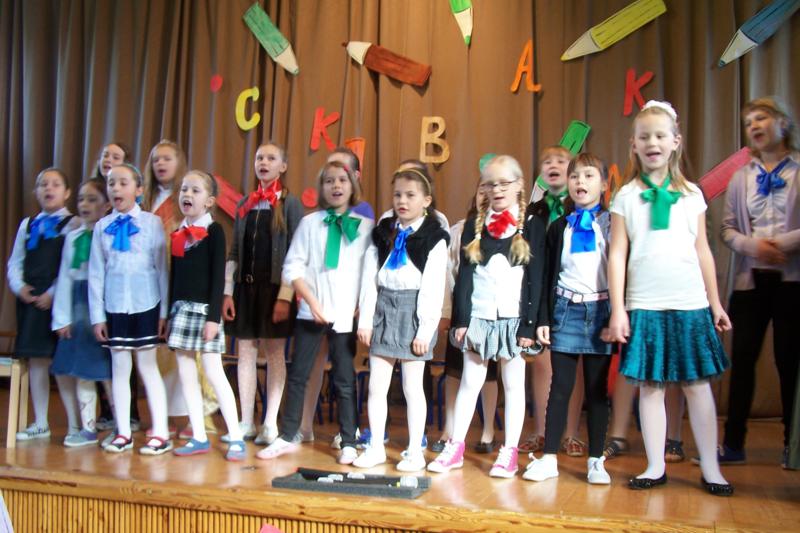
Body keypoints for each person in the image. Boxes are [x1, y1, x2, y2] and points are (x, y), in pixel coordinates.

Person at [606, 100, 733, 495]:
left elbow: (703, 251)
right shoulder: (625, 196)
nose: (652, 143)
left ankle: (711, 468)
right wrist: (618, 310)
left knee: (697, 386)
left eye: (660, 136)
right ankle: (655, 465)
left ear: (675, 141)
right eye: (644, 137)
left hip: (690, 303)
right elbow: (617, 254)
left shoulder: (692, 194)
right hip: (645, 304)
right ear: (633, 144)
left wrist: (715, 303)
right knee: (651, 387)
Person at [428, 155, 544, 478]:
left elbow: (536, 277)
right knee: (470, 381)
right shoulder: (473, 225)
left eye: (504, 183)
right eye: (491, 184)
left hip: (513, 319)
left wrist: (529, 326)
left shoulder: (531, 224)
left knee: (513, 384)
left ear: (519, 185)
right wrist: (462, 320)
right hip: (479, 316)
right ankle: (455, 447)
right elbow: (464, 276)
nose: (497, 189)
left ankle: (509, 453)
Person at [257, 161, 373, 464]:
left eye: (342, 180)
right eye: (329, 181)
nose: (336, 186)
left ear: (352, 185)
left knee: (344, 379)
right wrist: (311, 301)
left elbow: (369, 273)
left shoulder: (364, 227)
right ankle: (287, 434)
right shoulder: (310, 223)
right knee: (298, 375)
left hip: (344, 316)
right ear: (321, 187)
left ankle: (349, 441)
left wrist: (361, 308)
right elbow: (292, 267)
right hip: (311, 312)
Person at [718, 96, 800, 468]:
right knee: (743, 360)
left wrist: (780, 245)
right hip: (750, 283)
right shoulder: (742, 177)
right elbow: (728, 229)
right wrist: (754, 247)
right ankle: (733, 443)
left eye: (761, 117)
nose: (754, 125)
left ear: (783, 123)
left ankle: (792, 443)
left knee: (790, 362)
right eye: (749, 120)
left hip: (791, 281)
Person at [524, 153, 613, 484]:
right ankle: (549, 457)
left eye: (589, 176)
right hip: (565, 310)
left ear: (604, 184)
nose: (580, 182)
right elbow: (547, 275)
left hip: (600, 312)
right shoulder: (559, 226)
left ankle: (596, 460)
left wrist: (619, 314)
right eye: (575, 176)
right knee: (560, 387)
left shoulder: (612, 223)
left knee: (596, 390)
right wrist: (543, 318)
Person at [354, 165, 449, 471]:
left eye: (410, 195)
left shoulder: (434, 236)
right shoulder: (383, 231)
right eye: (397, 195)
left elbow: (433, 287)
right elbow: (370, 277)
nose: (402, 201)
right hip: (384, 307)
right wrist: (365, 319)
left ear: (426, 200)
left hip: (414, 311)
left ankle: (414, 451)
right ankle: (375, 447)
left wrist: (425, 330)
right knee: (376, 386)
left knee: (412, 388)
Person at [222, 141, 302, 445]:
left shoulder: (290, 204)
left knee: (274, 353)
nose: (263, 162)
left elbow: (296, 253)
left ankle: (270, 423)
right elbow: (234, 250)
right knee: (245, 352)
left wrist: (285, 296)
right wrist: (228, 292)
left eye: (271, 158)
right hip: (246, 289)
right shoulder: (245, 203)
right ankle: (246, 421)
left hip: (275, 291)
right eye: (259, 158)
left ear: (283, 166)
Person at [89, 163, 171, 455]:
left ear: (138, 190)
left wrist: (164, 312)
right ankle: (122, 432)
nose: (116, 188)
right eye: (112, 183)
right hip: (115, 306)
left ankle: (160, 432)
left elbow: (162, 270)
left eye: (123, 183)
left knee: (148, 367)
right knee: (119, 369)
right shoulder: (102, 227)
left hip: (146, 304)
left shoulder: (151, 223)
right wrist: (97, 316)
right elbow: (96, 273)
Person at [167, 170, 245, 461]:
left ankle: (236, 436)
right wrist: (168, 314)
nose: (187, 194)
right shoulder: (178, 232)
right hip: (181, 311)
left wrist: (214, 318)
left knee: (214, 373)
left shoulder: (214, 231)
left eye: (195, 190)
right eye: (184, 189)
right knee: (186, 376)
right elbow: (174, 278)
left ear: (210, 201)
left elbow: (217, 279)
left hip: (205, 313)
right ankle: (198, 436)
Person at [520, 145, 587, 457]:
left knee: (573, 368)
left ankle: (570, 433)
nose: (553, 165)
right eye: (547, 161)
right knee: (542, 365)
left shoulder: (581, 209)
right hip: (543, 295)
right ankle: (541, 431)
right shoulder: (534, 211)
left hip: (575, 293)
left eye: (561, 160)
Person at [7, 168, 78, 440]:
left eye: (55, 184)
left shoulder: (72, 224)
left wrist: (52, 292)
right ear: (36, 191)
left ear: (67, 192)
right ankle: (40, 422)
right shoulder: (28, 224)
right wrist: (20, 287)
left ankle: (75, 425)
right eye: (43, 184)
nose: (49, 189)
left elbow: (70, 266)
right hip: (31, 301)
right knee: (37, 361)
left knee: (61, 363)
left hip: (58, 300)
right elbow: (15, 262)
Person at [51, 178, 112, 447]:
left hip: (103, 307)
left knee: (107, 371)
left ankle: (120, 427)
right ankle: (87, 429)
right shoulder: (73, 237)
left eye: (92, 199)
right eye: (81, 199)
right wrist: (61, 318)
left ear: (107, 204)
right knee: (81, 369)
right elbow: (65, 278)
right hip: (78, 307)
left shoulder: (109, 234)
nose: (85, 205)